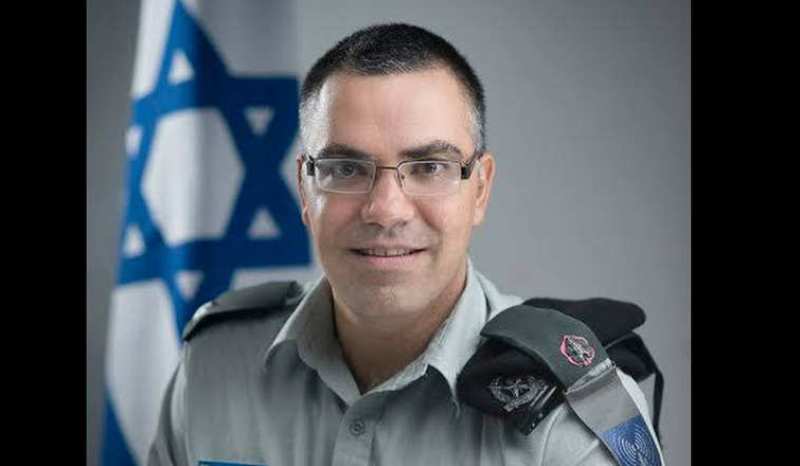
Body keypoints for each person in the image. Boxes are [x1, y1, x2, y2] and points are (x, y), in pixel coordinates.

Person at [148, 23, 664, 466]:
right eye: (346, 168)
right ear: (304, 190)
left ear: (480, 190)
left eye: (430, 167)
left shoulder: (571, 412)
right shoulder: (214, 365)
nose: (386, 209)